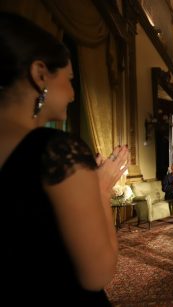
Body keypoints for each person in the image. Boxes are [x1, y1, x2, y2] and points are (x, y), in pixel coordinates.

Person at [0, 12, 129, 305]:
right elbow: (97, 274)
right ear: (40, 74)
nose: (72, 94)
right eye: (70, 80)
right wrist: (101, 189)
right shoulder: (57, 150)